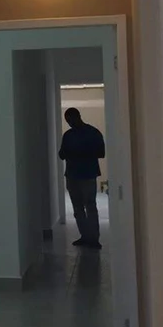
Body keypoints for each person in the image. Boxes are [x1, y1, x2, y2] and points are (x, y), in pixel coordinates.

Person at [59, 107, 105, 249]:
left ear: (78, 116)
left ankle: (93, 239)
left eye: (71, 119)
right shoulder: (70, 135)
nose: (69, 123)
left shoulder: (91, 133)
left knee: (89, 206)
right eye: (67, 121)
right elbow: (61, 154)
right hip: (74, 175)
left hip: (86, 175)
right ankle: (86, 237)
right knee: (79, 208)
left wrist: (80, 152)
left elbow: (101, 153)